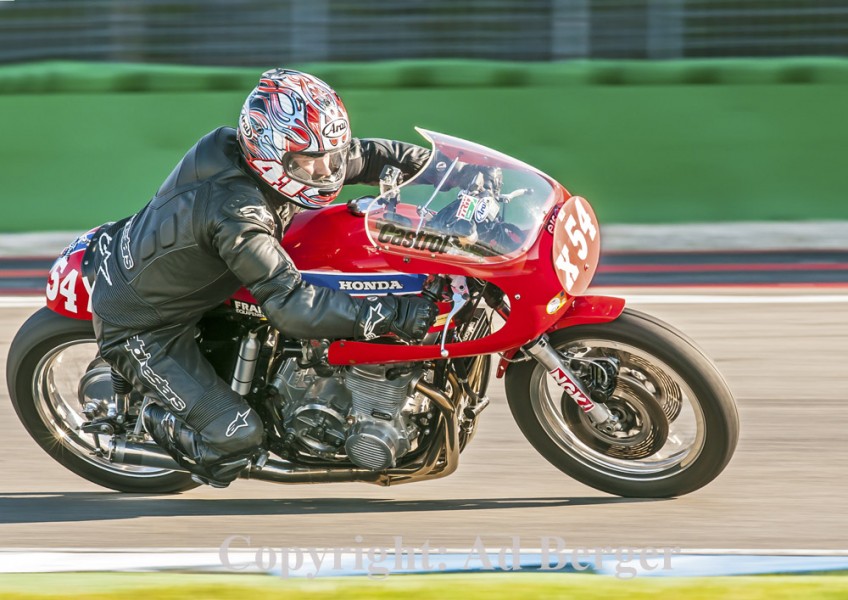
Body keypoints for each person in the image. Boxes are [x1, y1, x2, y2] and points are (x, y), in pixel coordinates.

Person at [85, 68, 439, 487]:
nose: (327, 170)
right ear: (271, 156)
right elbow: (292, 307)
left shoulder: (278, 158)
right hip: (143, 326)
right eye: (310, 160)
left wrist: (441, 169)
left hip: (184, 277)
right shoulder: (238, 214)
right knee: (239, 440)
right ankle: (152, 419)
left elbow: (372, 156)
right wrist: (389, 313)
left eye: (332, 154)